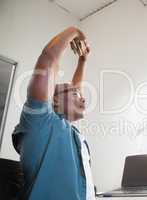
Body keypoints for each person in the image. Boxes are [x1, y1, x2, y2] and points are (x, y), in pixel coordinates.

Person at [12, 27, 95, 200]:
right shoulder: (41, 121)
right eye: (75, 94)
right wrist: (76, 31)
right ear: (54, 100)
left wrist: (83, 61)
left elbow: (74, 88)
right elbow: (49, 60)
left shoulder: (70, 133)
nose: (83, 99)